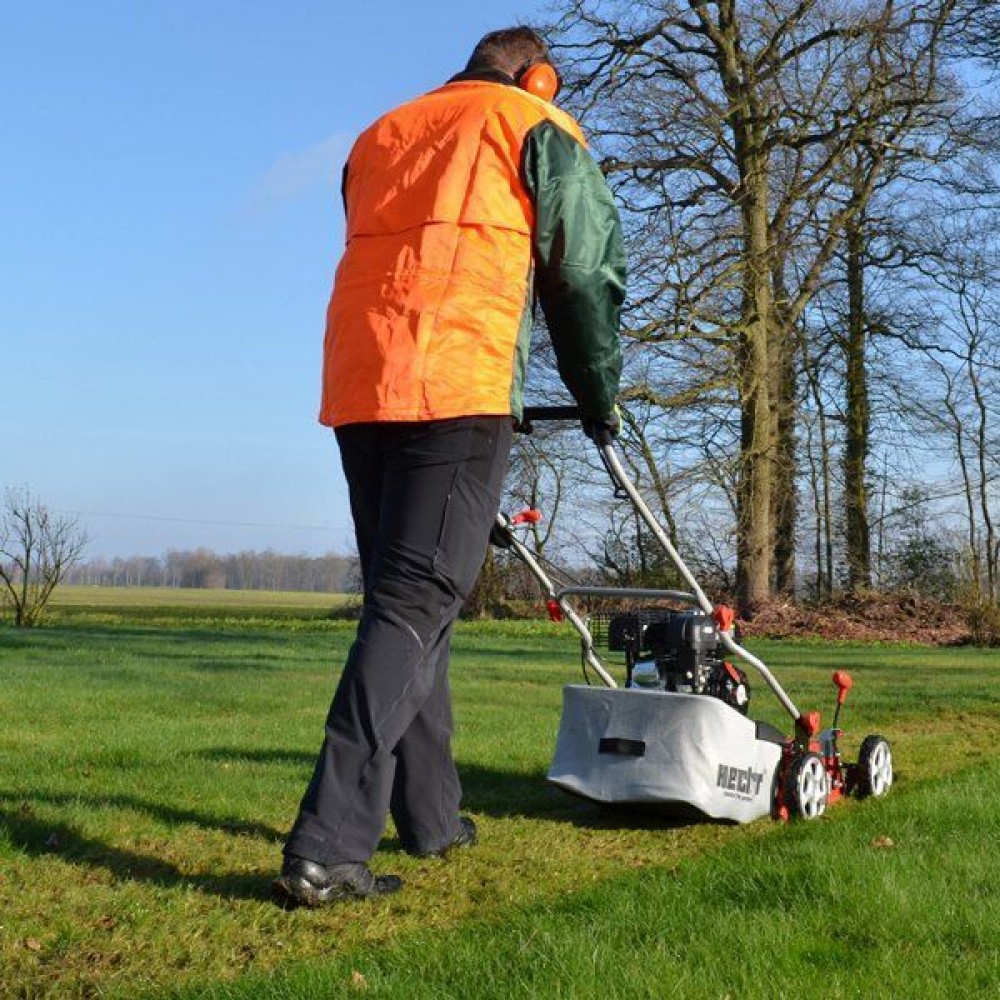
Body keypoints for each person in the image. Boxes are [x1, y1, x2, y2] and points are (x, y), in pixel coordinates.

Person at [274, 25, 626, 907]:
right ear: (537, 74)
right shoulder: (532, 123)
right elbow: (580, 271)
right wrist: (597, 393)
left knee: (414, 602)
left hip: (361, 386)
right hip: (456, 381)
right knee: (413, 604)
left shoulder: (380, 134)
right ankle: (327, 844)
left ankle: (431, 816)